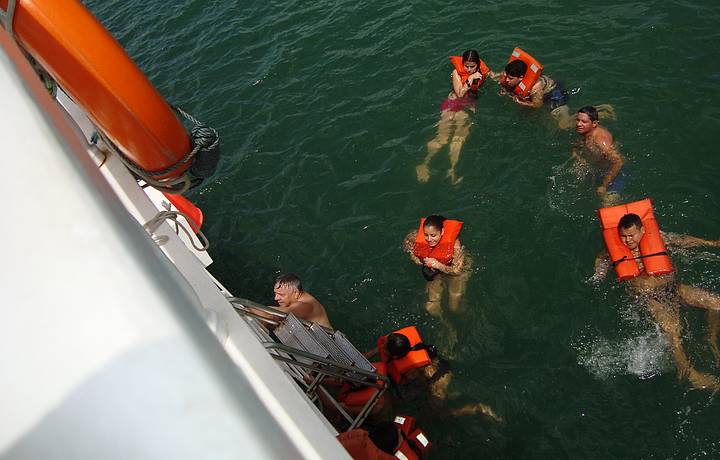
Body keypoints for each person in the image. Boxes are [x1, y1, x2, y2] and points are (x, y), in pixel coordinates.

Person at [592, 211, 720, 390]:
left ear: (642, 230)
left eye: (631, 235)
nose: (628, 240)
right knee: (672, 331)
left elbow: (683, 240)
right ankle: (691, 374)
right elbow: (601, 258)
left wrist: (710, 243)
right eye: (623, 236)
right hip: (650, 297)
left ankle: (711, 338)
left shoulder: (658, 238)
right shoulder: (612, 251)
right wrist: (600, 273)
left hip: (673, 287)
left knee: (716, 303)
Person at [365, 328, 501, 421]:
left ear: (395, 356)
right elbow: (380, 349)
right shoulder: (401, 343)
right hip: (440, 368)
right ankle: (457, 395)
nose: (382, 347)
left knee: (437, 415)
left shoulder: (411, 370)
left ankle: (473, 409)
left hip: (437, 380)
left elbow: (415, 383)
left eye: (385, 348)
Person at [417, 49, 490, 185]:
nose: (468, 69)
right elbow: (460, 94)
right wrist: (469, 80)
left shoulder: (482, 71)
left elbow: (492, 75)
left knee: (458, 139)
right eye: (466, 66)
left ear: (477, 65)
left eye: (472, 66)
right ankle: (424, 164)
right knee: (442, 139)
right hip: (452, 105)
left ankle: (452, 169)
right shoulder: (457, 73)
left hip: (467, 108)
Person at [496, 49, 615, 129]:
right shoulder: (510, 74)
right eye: (507, 77)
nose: (507, 80)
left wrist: (518, 101)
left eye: (510, 78)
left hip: (555, 94)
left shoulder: (535, 88)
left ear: (521, 77)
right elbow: (501, 78)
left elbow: (537, 105)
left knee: (563, 124)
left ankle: (602, 111)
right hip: (550, 84)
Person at [403, 215, 471, 320]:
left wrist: (438, 265)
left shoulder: (455, 245)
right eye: (426, 235)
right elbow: (407, 242)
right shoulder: (416, 237)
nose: (429, 239)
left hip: (454, 273)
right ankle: (446, 325)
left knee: (453, 307)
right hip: (436, 272)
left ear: (442, 232)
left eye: (433, 235)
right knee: (431, 307)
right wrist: (416, 258)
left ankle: (464, 318)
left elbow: (457, 270)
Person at [572, 106, 625, 204]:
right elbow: (577, 145)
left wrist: (604, 185)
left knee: (607, 204)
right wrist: (578, 156)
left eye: (583, 121)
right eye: (578, 120)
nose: (579, 124)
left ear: (594, 124)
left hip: (614, 174)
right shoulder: (585, 132)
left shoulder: (600, 141)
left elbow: (619, 162)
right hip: (597, 169)